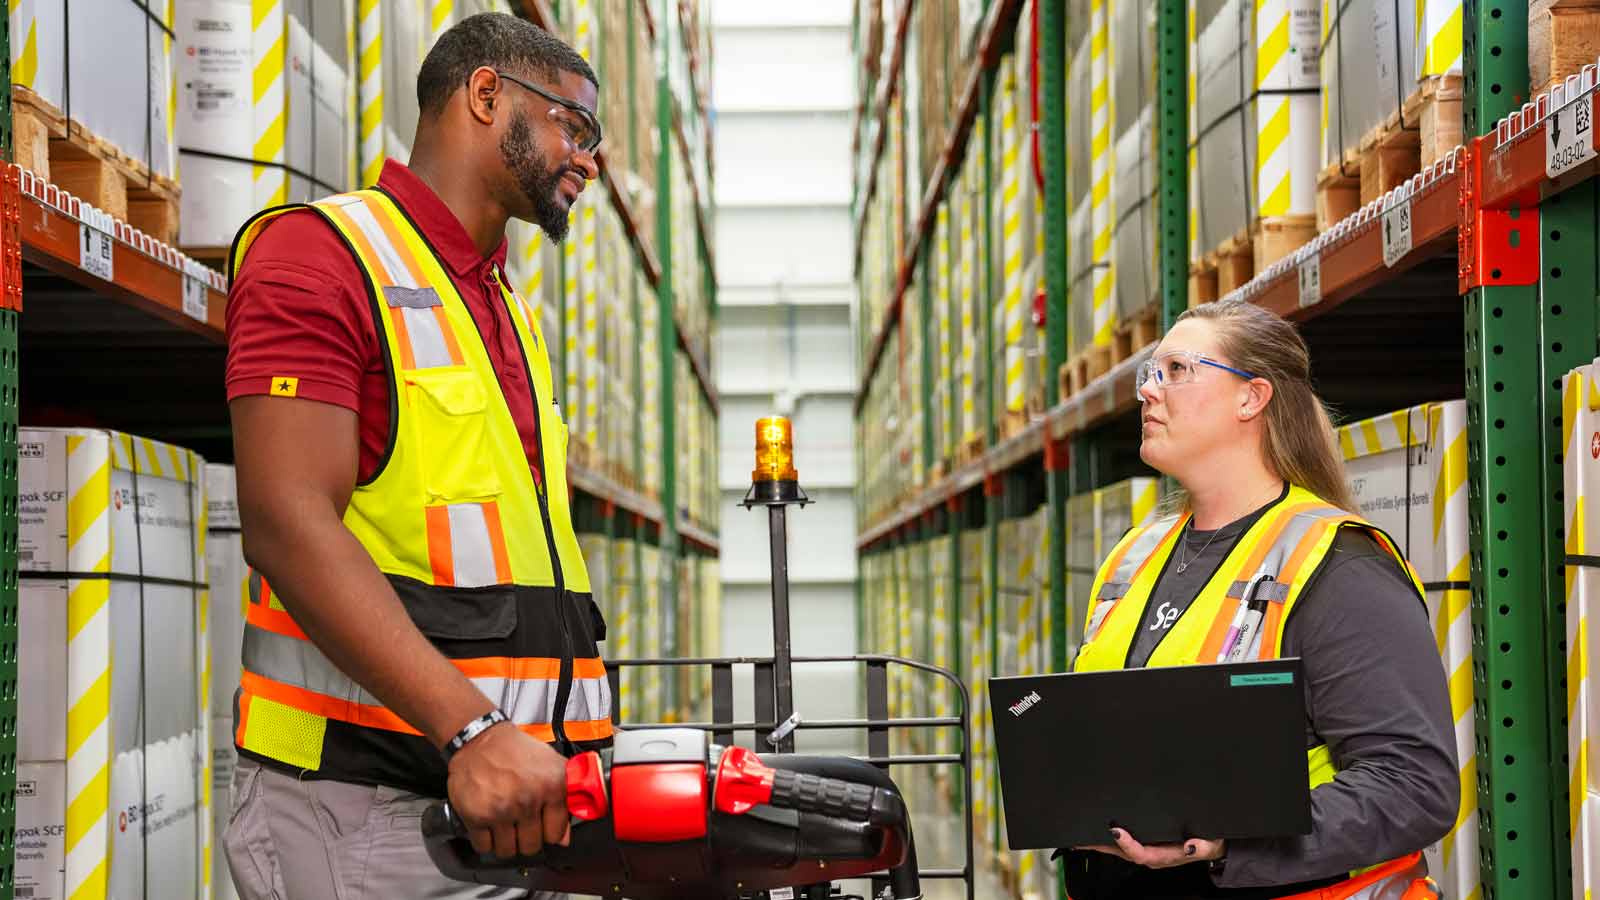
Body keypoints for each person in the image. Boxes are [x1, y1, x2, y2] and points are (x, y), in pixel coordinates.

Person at [220, 13, 612, 900]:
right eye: (573, 127)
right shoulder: (319, 256)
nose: (587, 160)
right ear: (485, 96)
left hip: (502, 820)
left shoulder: (501, 307)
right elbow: (284, 524)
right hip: (368, 821)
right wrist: (470, 731)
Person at [1060, 299, 1459, 900]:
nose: (1148, 390)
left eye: (1177, 369)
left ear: (1252, 398)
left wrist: (1232, 842)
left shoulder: (1337, 564)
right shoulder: (1136, 555)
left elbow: (1415, 785)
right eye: (1150, 372)